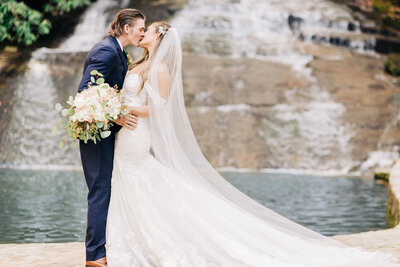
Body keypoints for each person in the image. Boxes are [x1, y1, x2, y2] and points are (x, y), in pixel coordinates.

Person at [105, 21, 399, 266]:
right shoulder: (141, 62)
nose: (141, 33)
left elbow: (159, 110)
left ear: (159, 36)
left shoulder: (159, 70)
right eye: (140, 29)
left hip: (136, 133)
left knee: (139, 181)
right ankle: (136, 240)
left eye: (148, 29)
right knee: (137, 184)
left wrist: (121, 109)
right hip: (127, 134)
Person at [77, 8, 145, 267]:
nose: (142, 32)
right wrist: (116, 117)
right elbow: (86, 93)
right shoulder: (106, 51)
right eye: (141, 27)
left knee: (104, 189)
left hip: (103, 132)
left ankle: (101, 248)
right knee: (100, 190)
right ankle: (94, 255)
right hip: (96, 133)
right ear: (126, 28)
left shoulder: (117, 51)